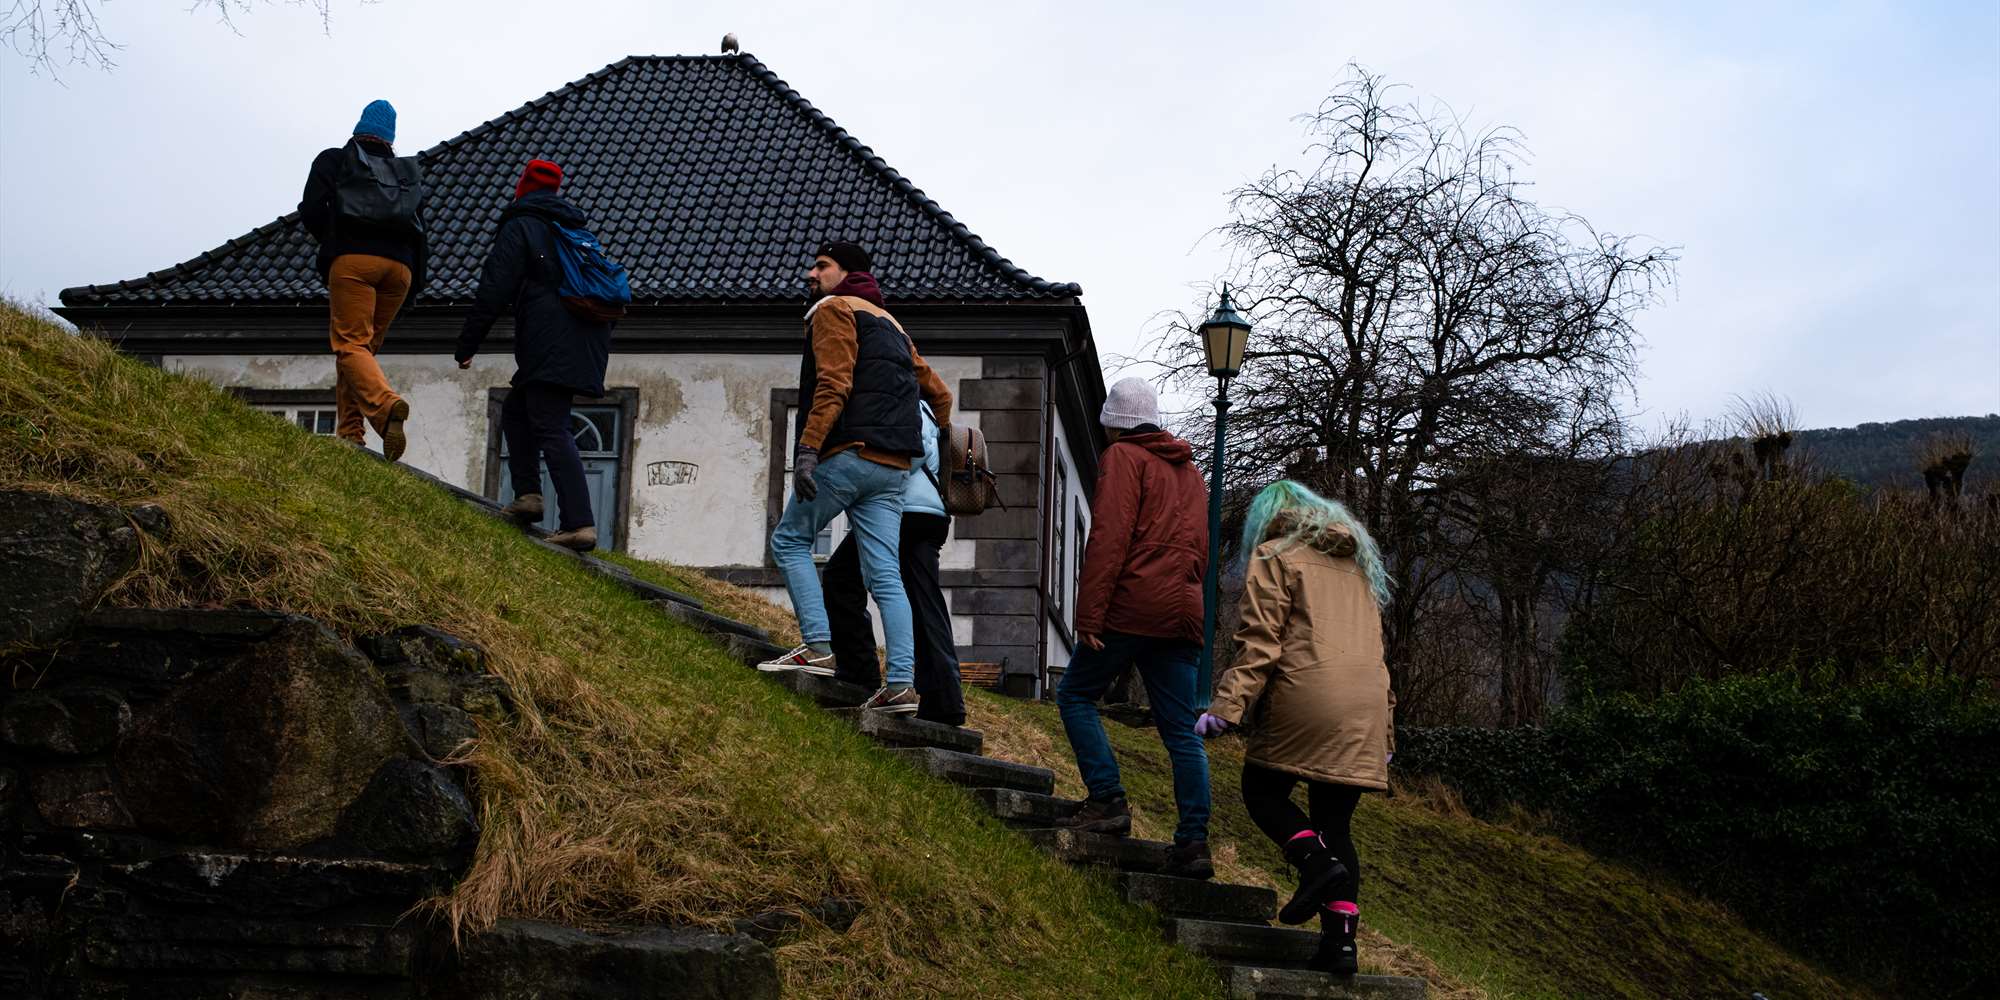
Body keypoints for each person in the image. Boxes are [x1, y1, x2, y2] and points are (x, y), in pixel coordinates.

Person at [1193, 480, 1396, 975]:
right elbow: (1376, 652)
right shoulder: (1359, 567)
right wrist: (1387, 732)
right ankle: (1341, 946)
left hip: (1307, 694)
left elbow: (1260, 642)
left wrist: (1227, 705)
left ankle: (1315, 864)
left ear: (1269, 519)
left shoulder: (1275, 554)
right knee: (1336, 824)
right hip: (1366, 707)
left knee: (1261, 790)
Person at [757, 242, 953, 716]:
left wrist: (808, 449)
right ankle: (901, 685)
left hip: (848, 454)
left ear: (845, 274)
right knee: (885, 575)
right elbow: (942, 396)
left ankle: (817, 647)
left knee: (789, 540)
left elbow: (834, 383)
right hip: (893, 468)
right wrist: (933, 443)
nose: (811, 274)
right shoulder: (892, 324)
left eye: (821, 266)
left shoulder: (833, 309)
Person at [1056, 377, 1213, 879]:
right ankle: (1194, 843)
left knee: (1075, 695)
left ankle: (1107, 799)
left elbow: (1109, 538)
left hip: (1132, 606)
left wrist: (1090, 613)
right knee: (1181, 731)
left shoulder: (1123, 457)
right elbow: (1201, 551)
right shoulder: (1191, 472)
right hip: (1181, 614)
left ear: (1113, 423)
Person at [453, 159, 613, 552]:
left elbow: (494, 287)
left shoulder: (522, 224)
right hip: (584, 336)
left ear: (523, 186)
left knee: (551, 425)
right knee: (516, 410)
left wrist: (468, 344)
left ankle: (579, 523)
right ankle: (529, 497)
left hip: (550, 338)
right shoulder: (574, 231)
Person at [821, 398, 967, 727]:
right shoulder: (922, 405)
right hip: (926, 513)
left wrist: (864, 477)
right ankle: (944, 700)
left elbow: (912, 453)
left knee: (841, 577)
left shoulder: (906, 402)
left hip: (904, 511)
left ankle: (859, 672)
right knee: (924, 602)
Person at [299, 99, 428, 460]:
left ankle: (387, 406)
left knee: (350, 345)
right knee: (360, 352)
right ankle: (351, 433)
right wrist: (415, 284)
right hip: (400, 270)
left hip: (354, 261)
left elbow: (311, 209)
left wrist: (334, 240)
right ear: (390, 137)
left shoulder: (335, 159)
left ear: (359, 129)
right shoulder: (404, 174)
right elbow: (421, 234)